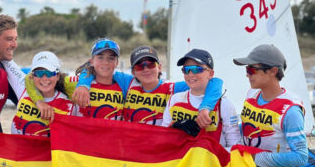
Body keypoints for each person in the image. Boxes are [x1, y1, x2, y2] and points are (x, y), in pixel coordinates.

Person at [233, 44, 308, 167]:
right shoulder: (252, 94)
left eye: (252, 70)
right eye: (247, 69)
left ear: (273, 71)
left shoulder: (291, 110)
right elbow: (247, 128)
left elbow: (301, 156)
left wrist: (256, 158)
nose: (247, 74)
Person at [73, 45, 223, 127]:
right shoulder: (128, 82)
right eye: (139, 66)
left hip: (153, 150)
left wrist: (205, 107)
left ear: (159, 67)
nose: (145, 69)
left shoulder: (171, 88)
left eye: (150, 64)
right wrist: (83, 85)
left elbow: (214, 82)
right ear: (133, 71)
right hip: (127, 148)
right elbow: (95, 69)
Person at [27, 38, 125, 120]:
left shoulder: (125, 85)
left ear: (117, 62)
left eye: (111, 58)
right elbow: (30, 78)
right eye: (100, 57)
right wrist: (40, 102)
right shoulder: (77, 83)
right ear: (91, 61)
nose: (105, 63)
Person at [162, 49, 241, 150]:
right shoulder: (175, 99)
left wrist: (204, 153)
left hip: (212, 163)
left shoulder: (224, 104)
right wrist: (173, 128)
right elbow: (164, 137)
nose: (190, 74)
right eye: (185, 70)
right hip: (181, 162)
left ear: (211, 74)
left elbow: (235, 147)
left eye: (196, 69)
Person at [3, 51, 74, 137]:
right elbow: (5, 60)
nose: (44, 78)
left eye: (49, 73)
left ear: (58, 76)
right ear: (32, 76)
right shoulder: (23, 87)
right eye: (39, 73)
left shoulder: (69, 104)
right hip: (18, 148)